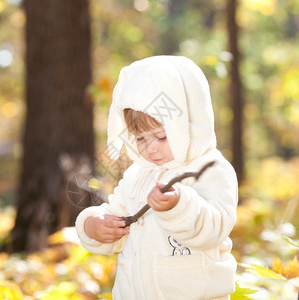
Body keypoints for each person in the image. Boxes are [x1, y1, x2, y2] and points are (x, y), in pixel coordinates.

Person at [75, 56, 238, 299]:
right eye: (140, 138)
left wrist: (178, 206)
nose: (150, 149)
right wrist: (94, 226)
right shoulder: (137, 175)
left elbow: (215, 228)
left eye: (161, 136)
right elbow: (117, 215)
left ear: (189, 123)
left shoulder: (211, 168)